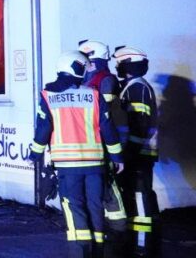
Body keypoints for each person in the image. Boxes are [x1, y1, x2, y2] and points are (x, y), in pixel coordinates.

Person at [30, 50, 124, 258]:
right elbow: (108, 128)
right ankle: (98, 251)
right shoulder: (94, 95)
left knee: (74, 208)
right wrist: (117, 158)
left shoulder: (48, 96)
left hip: (68, 166)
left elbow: (43, 129)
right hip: (95, 165)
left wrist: (34, 155)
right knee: (95, 207)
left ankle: (80, 252)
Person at [113, 46, 160, 257]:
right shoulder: (132, 87)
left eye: (119, 64)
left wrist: (129, 153)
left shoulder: (137, 88)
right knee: (135, 196)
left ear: (128, 65)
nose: (117, 67)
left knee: (140, 198)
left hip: (139, 154)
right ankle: (137, 242)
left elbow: (140, 124)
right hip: (136, 152)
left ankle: (142, 246)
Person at [79, 40, 129, 237]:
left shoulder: (106, 80)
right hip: (93, 143)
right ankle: (102, 229)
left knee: (109, 188)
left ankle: (118, 231)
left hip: (105, 143)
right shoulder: (87, 80)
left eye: (88, 61)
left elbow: (104, 117)